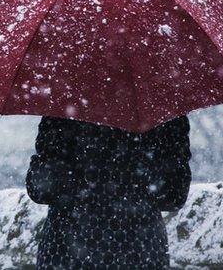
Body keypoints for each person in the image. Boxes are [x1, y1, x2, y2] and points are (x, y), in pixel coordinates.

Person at [25, 115, 191, 269]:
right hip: (140, 251)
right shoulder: (161, 108)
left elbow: (40, 190)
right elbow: (174, 195)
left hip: (66, 251)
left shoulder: (63, 107)